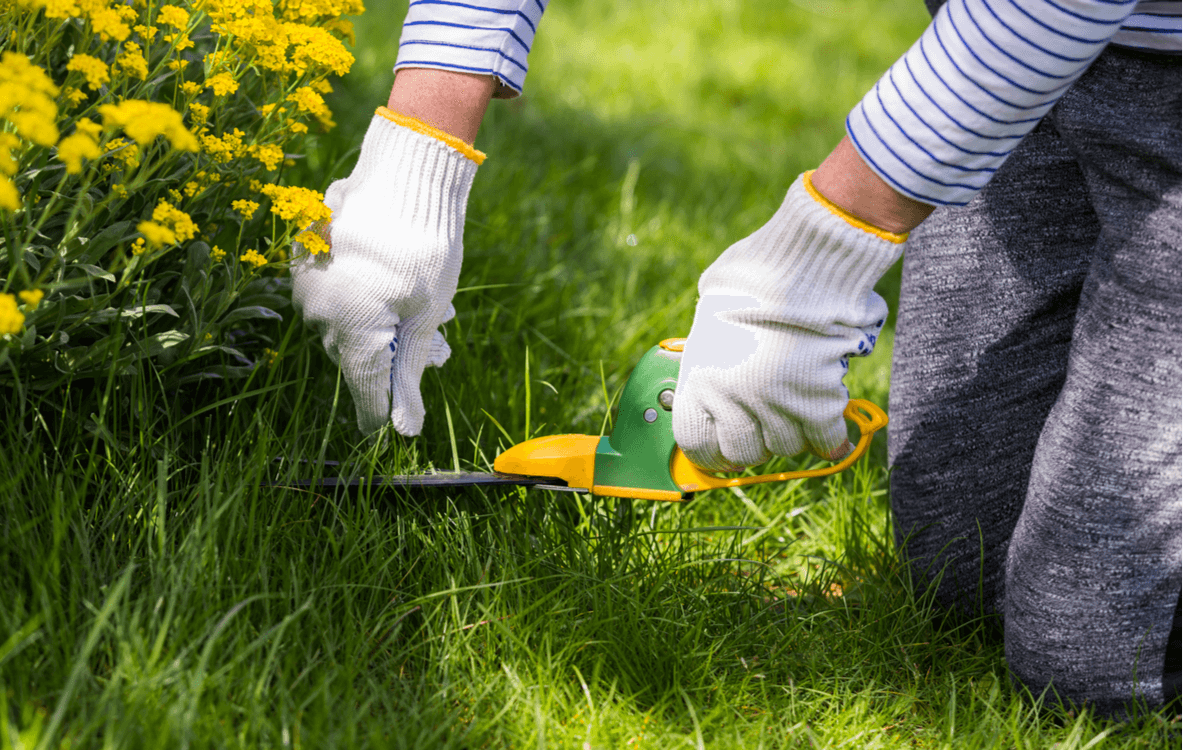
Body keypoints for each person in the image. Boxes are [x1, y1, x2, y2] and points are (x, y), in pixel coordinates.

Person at [290, 0, 1180, 717]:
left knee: (1093, 658)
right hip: (1011, 65)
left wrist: (821, 251)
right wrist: (417, 154)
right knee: (958, 572)